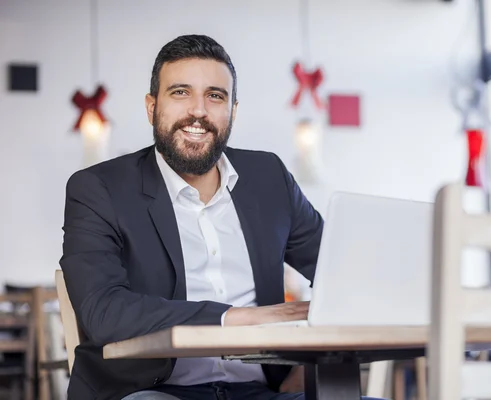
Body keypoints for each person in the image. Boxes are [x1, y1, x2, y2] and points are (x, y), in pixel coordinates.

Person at [60, 34, 326, 400]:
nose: (198, 111)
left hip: (259, 391)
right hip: (151, 391)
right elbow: (104, 312)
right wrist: (233, 317)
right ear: (152, 107)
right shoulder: (99, 188)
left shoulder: (269, 178)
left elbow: (338, 272)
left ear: (232, 110)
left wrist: (305, 364)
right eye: (180, 92)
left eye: (215, 95)